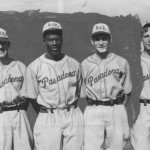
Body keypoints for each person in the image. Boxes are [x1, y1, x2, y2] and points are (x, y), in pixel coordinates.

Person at [26, 21, 84, 150]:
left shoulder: (75, 64)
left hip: (72, 114)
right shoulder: (34, 67)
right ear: (44, 41)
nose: (54, 43)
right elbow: (32, 97)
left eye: (57, 39)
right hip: (48, 116)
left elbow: (79, 92)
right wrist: (48, 112)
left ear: (62, 40)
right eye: (50, 40)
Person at [81, 23, 132, 150]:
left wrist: (119, 109)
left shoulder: (122, 62)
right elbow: (82, 92)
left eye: (104, 38)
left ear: (110, 39)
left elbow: (127, 90)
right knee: (91, 147)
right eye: (97, 39)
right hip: (93, 108)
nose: (101, 42)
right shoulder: (85, 64)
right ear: (92, 41)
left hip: (115, 107)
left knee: (117, 146)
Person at [0, 28, 33, 150]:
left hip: (20, 114)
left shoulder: (20, 66)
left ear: (8, 44)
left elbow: (29, 93)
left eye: (3, 42)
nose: (0, 46)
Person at [131, 20, 150, 150]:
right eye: (146, 36)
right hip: (142, 107)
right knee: (141, 146)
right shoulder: (134, 61)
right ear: (141, 39)